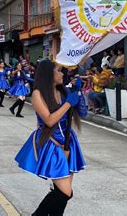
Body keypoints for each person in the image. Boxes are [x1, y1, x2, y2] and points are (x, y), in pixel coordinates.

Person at [15, 60, 87, 215]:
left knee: (62, 194)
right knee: (65, 193)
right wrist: (68, 103)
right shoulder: (37, 94)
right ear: (49, 74)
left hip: (68, 143)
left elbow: (83, 113)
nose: (63, 74)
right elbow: (49, 120)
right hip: (51, 144)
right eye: (59, 70)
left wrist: (78, 92)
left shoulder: (63, 91)